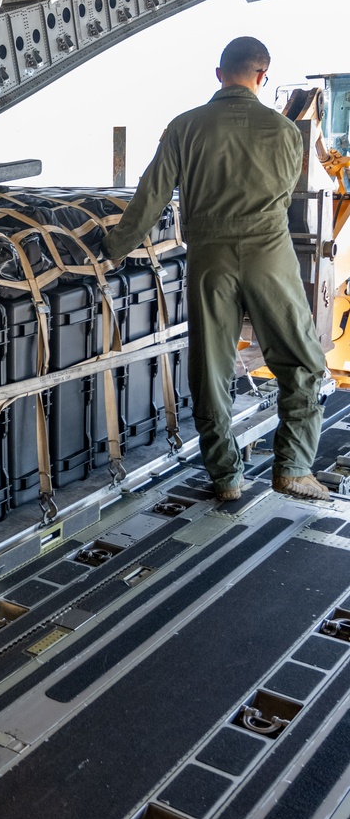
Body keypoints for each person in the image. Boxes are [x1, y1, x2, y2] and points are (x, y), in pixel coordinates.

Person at [103, 36, 329, 504]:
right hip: (271, 252)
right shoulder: (286, 132)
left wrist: (113, 249)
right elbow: (285, 195)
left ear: (219, 74)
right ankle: (293, 468)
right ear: (262, 78)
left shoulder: (185, 127)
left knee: (211, 370)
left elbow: (152, 196)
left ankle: (226, 477)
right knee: (302, 362)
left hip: (209, 258)